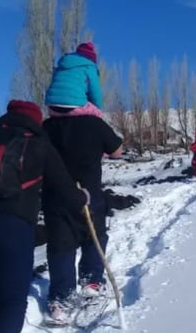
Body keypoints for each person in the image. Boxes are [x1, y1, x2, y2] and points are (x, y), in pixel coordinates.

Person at [0, 100, 89, 333]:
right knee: (12, 299)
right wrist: (83, 198)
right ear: (35, 121)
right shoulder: (37, 144)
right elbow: (64, 189)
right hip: (11, 228)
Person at [41, 108, 123, 324]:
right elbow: (117, 151)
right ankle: (91, 282)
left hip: (55, 197)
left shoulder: (47, 127)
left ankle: (61, 298)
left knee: (60, 244)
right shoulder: (94, 123)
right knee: (94, 236)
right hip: (89, 193)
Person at [44, 42, 104, 118]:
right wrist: (97, 107)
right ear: (92, 58)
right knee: (98, 113)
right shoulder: (90, 67)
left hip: (52, 107)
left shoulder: (62, 64)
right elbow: (95, 92)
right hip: (74, 106)